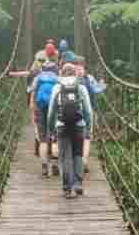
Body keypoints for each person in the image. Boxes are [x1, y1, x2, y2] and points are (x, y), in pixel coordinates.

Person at [47, 62, 92, 198]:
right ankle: (77, 184)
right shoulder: (81, 87)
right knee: (77, 154)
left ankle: (67, 188)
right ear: (75, 73)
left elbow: (51, 112)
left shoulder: (57, 87)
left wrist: (51, 129)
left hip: (62, 126)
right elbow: (88, 110)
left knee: (65, 157)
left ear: (62, 73)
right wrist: (88, 127)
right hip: (79, 125)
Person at [28, 60, 60, 174]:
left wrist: (32, 105)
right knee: (55, 138)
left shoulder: (38, 77)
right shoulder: (57, 78)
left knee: (43, 139)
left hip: (40, 108)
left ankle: (44, 167)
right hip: (54, 109)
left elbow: (31, 92)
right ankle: (55, 165)